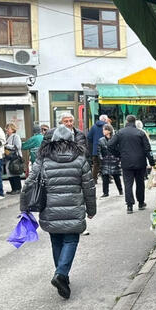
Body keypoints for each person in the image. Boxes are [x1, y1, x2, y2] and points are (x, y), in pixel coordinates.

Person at [22, 125, 95, 299]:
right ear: (71, 140)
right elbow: (89, 187)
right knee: (71, 240)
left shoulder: (44, 158)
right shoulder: (80, 158)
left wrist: (24, 206)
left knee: (56, 240)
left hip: (49, 208)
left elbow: (30, 182)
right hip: (74, 207)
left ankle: (62, 275)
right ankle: (61, 274)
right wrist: (91, 209)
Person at [108, 115, 153, 214]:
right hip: (140, 162)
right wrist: (152, 161)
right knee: (140, 183)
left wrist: (118, 154)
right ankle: (141, 203)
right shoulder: (140, 133)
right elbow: (147, 148)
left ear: (126, 121)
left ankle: (129, 205)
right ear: (135, 122)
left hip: (126, 161)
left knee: (128, 183)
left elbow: (110, 145)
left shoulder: (120, 133)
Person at [97, 124, 123, 197]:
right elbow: (99, 151)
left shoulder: (115, 139)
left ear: (108, 131)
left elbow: (119, 149)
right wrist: (101, 159)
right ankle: (105, 192)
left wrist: (118, 158)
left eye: (104, 130)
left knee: (116, 176)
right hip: (105, 161)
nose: (103, 131)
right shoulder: (101, 140)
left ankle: (120, 190)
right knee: (105, 177)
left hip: (114, 160)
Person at [87, 113, 109, 181]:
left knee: (96, 165)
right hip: (104, 148)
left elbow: (89, 137)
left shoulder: (93, 127)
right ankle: (106, 179)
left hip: (95, 149)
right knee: (105, 164)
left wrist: (94, 143)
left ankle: (94, 179)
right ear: (105, 119)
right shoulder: (107, 126)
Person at [3, 123, 24, 193]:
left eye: (8, 128)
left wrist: (7, 146)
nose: (6, 130)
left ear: (12, 129)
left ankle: (17, 189)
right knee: (9, 172)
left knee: (15, 172)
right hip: (8, 157)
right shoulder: (6, 136)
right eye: (6, 128)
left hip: (15, 157)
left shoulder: (16, 136)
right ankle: (13, 189)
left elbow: (18, 146)